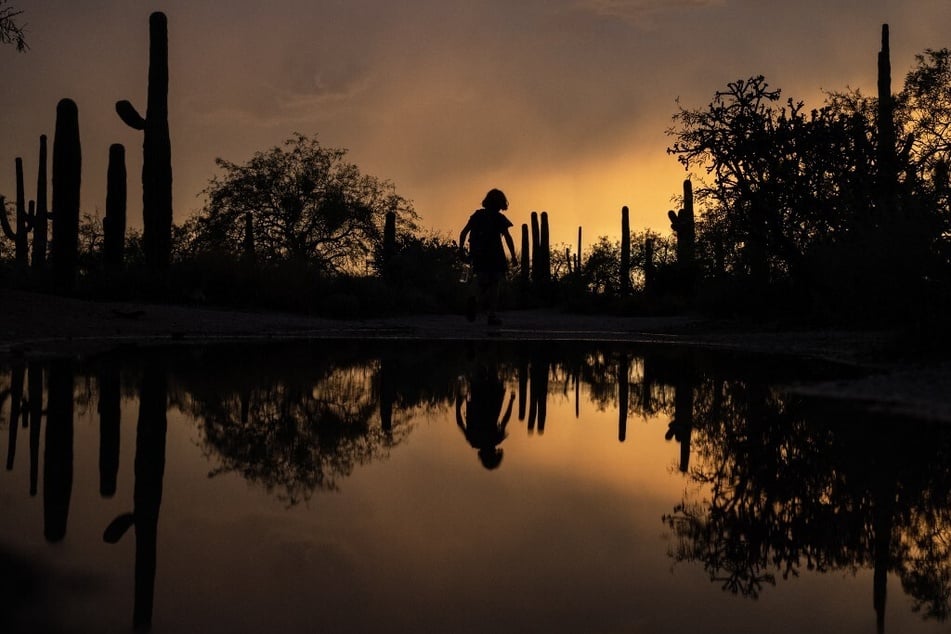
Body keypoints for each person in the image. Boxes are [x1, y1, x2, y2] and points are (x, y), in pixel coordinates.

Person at [458, 188, 518, 326]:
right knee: (494, 284)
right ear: (501, 203)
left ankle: (475, 301)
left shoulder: (477, 215)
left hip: (478, 254)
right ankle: (491, 315)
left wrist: (461, 250)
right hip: (495, 254)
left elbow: (463, 232)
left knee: (482, 282)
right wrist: (513, 255)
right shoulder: (499, 218)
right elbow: (508, 237)